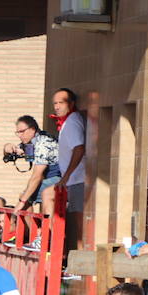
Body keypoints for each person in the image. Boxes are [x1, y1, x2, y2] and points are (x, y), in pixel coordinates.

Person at [53, 87, 87, 247]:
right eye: (55, 103)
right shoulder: (67, 123)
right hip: (72, 180)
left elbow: (79, 148)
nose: (57, 106)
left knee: (81, 228)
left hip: (77, 179)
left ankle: (82, 269)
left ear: (71, 103)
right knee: (75, 225)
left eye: (61, 102)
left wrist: (66, 176)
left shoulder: (72, 122)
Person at [9, 115, 60, 221]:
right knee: (25, 195)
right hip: (50, 178)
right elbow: (13, 150)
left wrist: (22, 201)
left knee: (25, 197)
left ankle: (42, 234)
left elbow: (37, 176)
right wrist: (7, 147)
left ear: (32, 129)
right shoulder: (32, 141)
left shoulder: (43, 143)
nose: (19, 135)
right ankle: (36, 232)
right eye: (17, 132)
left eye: (22, 131)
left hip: (60, 178)